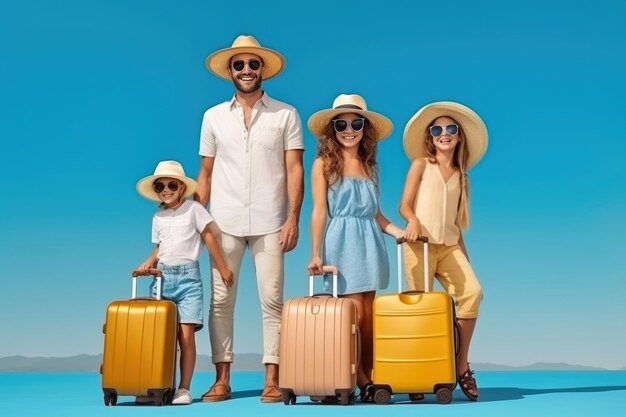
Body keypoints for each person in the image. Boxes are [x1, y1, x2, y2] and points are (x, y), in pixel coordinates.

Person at [195, 35, 304, 403]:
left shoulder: (286, 114)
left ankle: (273, 379)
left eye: (252, 64)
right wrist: (196, 222)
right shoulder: (211, 117)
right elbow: (205, 174)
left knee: (273, 300)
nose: (246, 70)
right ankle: (221, 380)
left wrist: (293, 219)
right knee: (220, 301)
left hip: (271, 221)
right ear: (230, 71)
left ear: (263, 70)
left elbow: (295, 169)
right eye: (239, 64)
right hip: (222, 223)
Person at [306, 94, 404, 403]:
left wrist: (399, 232)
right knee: (351, 315)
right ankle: (361, 380)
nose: (349, 130)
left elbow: (376, 214)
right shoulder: (323, 164)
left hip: (370, 242)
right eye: (341, 124)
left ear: (365, 128)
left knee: (369, 316)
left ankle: (369, 373)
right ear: (332, 129)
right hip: (342, 241)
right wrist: (316, 253)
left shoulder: (368, 165)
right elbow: (320, 210)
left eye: (356, 123)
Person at [399, 101, 488, 401]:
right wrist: (412, 220)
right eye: (437, 129)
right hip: (419, 246)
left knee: (472, 292)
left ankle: (460, 365)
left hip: (450, 247)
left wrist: (466, 261)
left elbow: (456, 224)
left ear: (459, 135)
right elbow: (404, 205)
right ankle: (420, 373)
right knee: (422, 313)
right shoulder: (421, 164)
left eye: (450, 129)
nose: (444, 134)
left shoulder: (462, 177)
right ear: (430, 136)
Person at [135, 160, 234, 405]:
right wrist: (148, 262)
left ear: (181, 187)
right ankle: (157, 384)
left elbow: (209, 236)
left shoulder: (194, 209)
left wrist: (222, 266)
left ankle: (184, 388)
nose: (166, 190)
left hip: (188, 279)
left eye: (171, 184)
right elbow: (160, 248)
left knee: (185, 336)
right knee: (159, 336)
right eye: (160, 186)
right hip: (162, 278)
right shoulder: (158, 216)